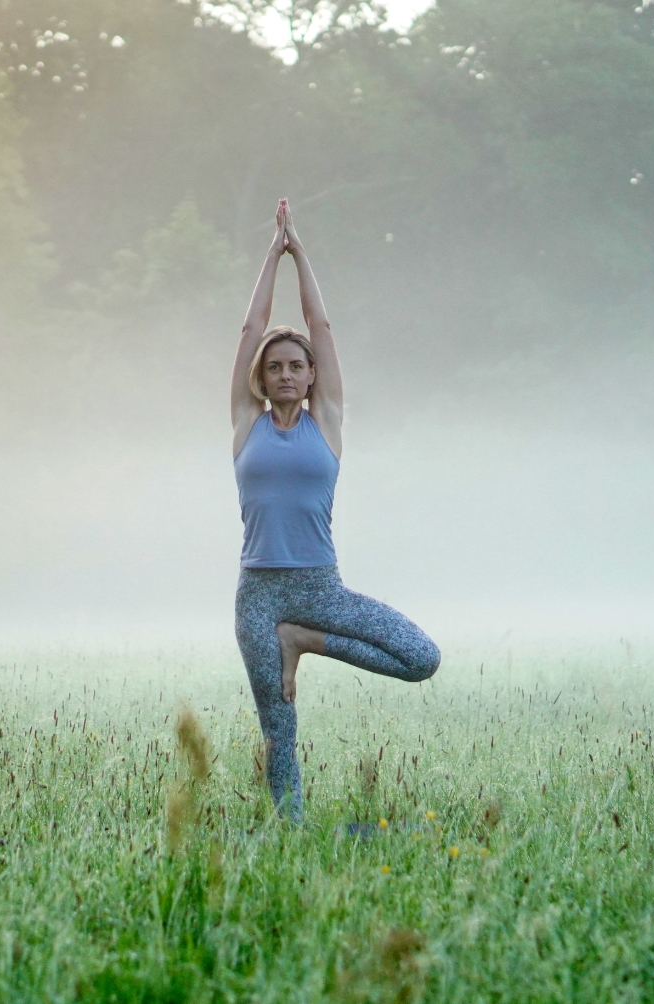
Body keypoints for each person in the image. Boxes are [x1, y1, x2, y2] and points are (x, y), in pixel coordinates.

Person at [231, 198, 440, 820]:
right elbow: (250, 330)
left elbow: (321, 327)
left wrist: (300, 253)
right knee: (279, 730)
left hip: (320, 588)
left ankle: (305, 641)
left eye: (297, 367)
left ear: (312, 376)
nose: (285, 374)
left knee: (421, 658)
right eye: (275, 367)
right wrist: (270, 256)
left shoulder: (326, 421)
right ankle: (290, 834)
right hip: (258, 595)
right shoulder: (246, 423)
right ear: (262, 377)